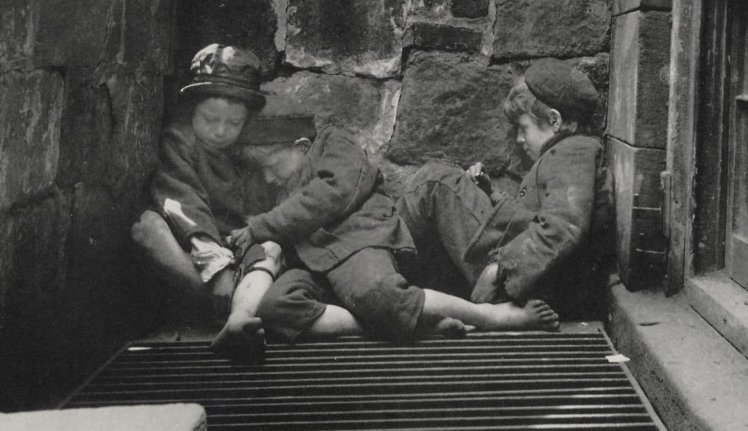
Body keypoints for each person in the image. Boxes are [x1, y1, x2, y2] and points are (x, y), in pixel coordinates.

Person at [235, 99, 561, 344]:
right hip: (316, 269)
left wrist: (263, 226)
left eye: (271, 165)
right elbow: (265, 247)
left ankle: (492, 316)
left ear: (302, 147)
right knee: (275, 308)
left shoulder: (332, 144)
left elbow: (336, 191)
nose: (267, 176)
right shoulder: (271, 190)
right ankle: (414, 323)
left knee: (378, 293)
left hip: (356, 241)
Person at [399, 58, 614, 321]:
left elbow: (563, 227)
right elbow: (534, 216)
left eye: (523, 128)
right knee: (443, 181)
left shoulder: (574, 151)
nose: (520, 140)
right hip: (532, 276)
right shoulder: (567, 154)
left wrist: (500, 268)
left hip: (526, 282)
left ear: (555, 120)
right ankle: (402, 290)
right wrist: (490, 193)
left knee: (434, 183)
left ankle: (388, 286)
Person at [130, 43, 282, 360]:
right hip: (192, 250)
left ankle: (239, 314)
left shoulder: (247, 158)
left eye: (233, 123)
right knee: (146, 227)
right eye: (210, 119)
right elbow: (181, 201)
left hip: (234, 254)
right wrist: (217, 268)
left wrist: (244, 250)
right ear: (193, 110)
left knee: (272, 250)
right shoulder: (180, 140)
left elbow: (255, 220)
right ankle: (215, 305)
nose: (220, 131)